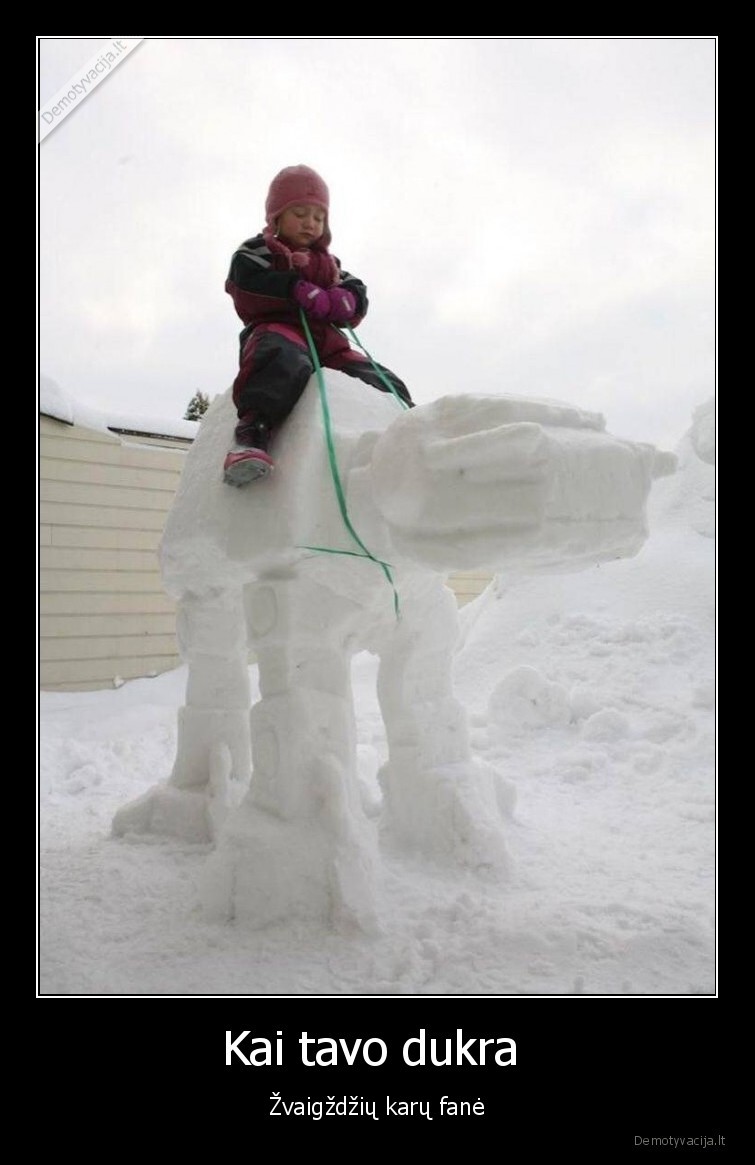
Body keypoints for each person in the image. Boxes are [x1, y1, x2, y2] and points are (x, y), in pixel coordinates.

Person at [223, 164, 414, 486]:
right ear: (277, 216)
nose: (310, 223)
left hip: (328, 340)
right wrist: (292, 288)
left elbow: (357, 288)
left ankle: (409, 427)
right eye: (300, 213)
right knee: (281, 360)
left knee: (374, 375)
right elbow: (245, 281)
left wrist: (347, 299)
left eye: (318, 217)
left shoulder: (330, 265)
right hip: (278, 328)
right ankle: (253, 434)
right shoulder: (257, 251)